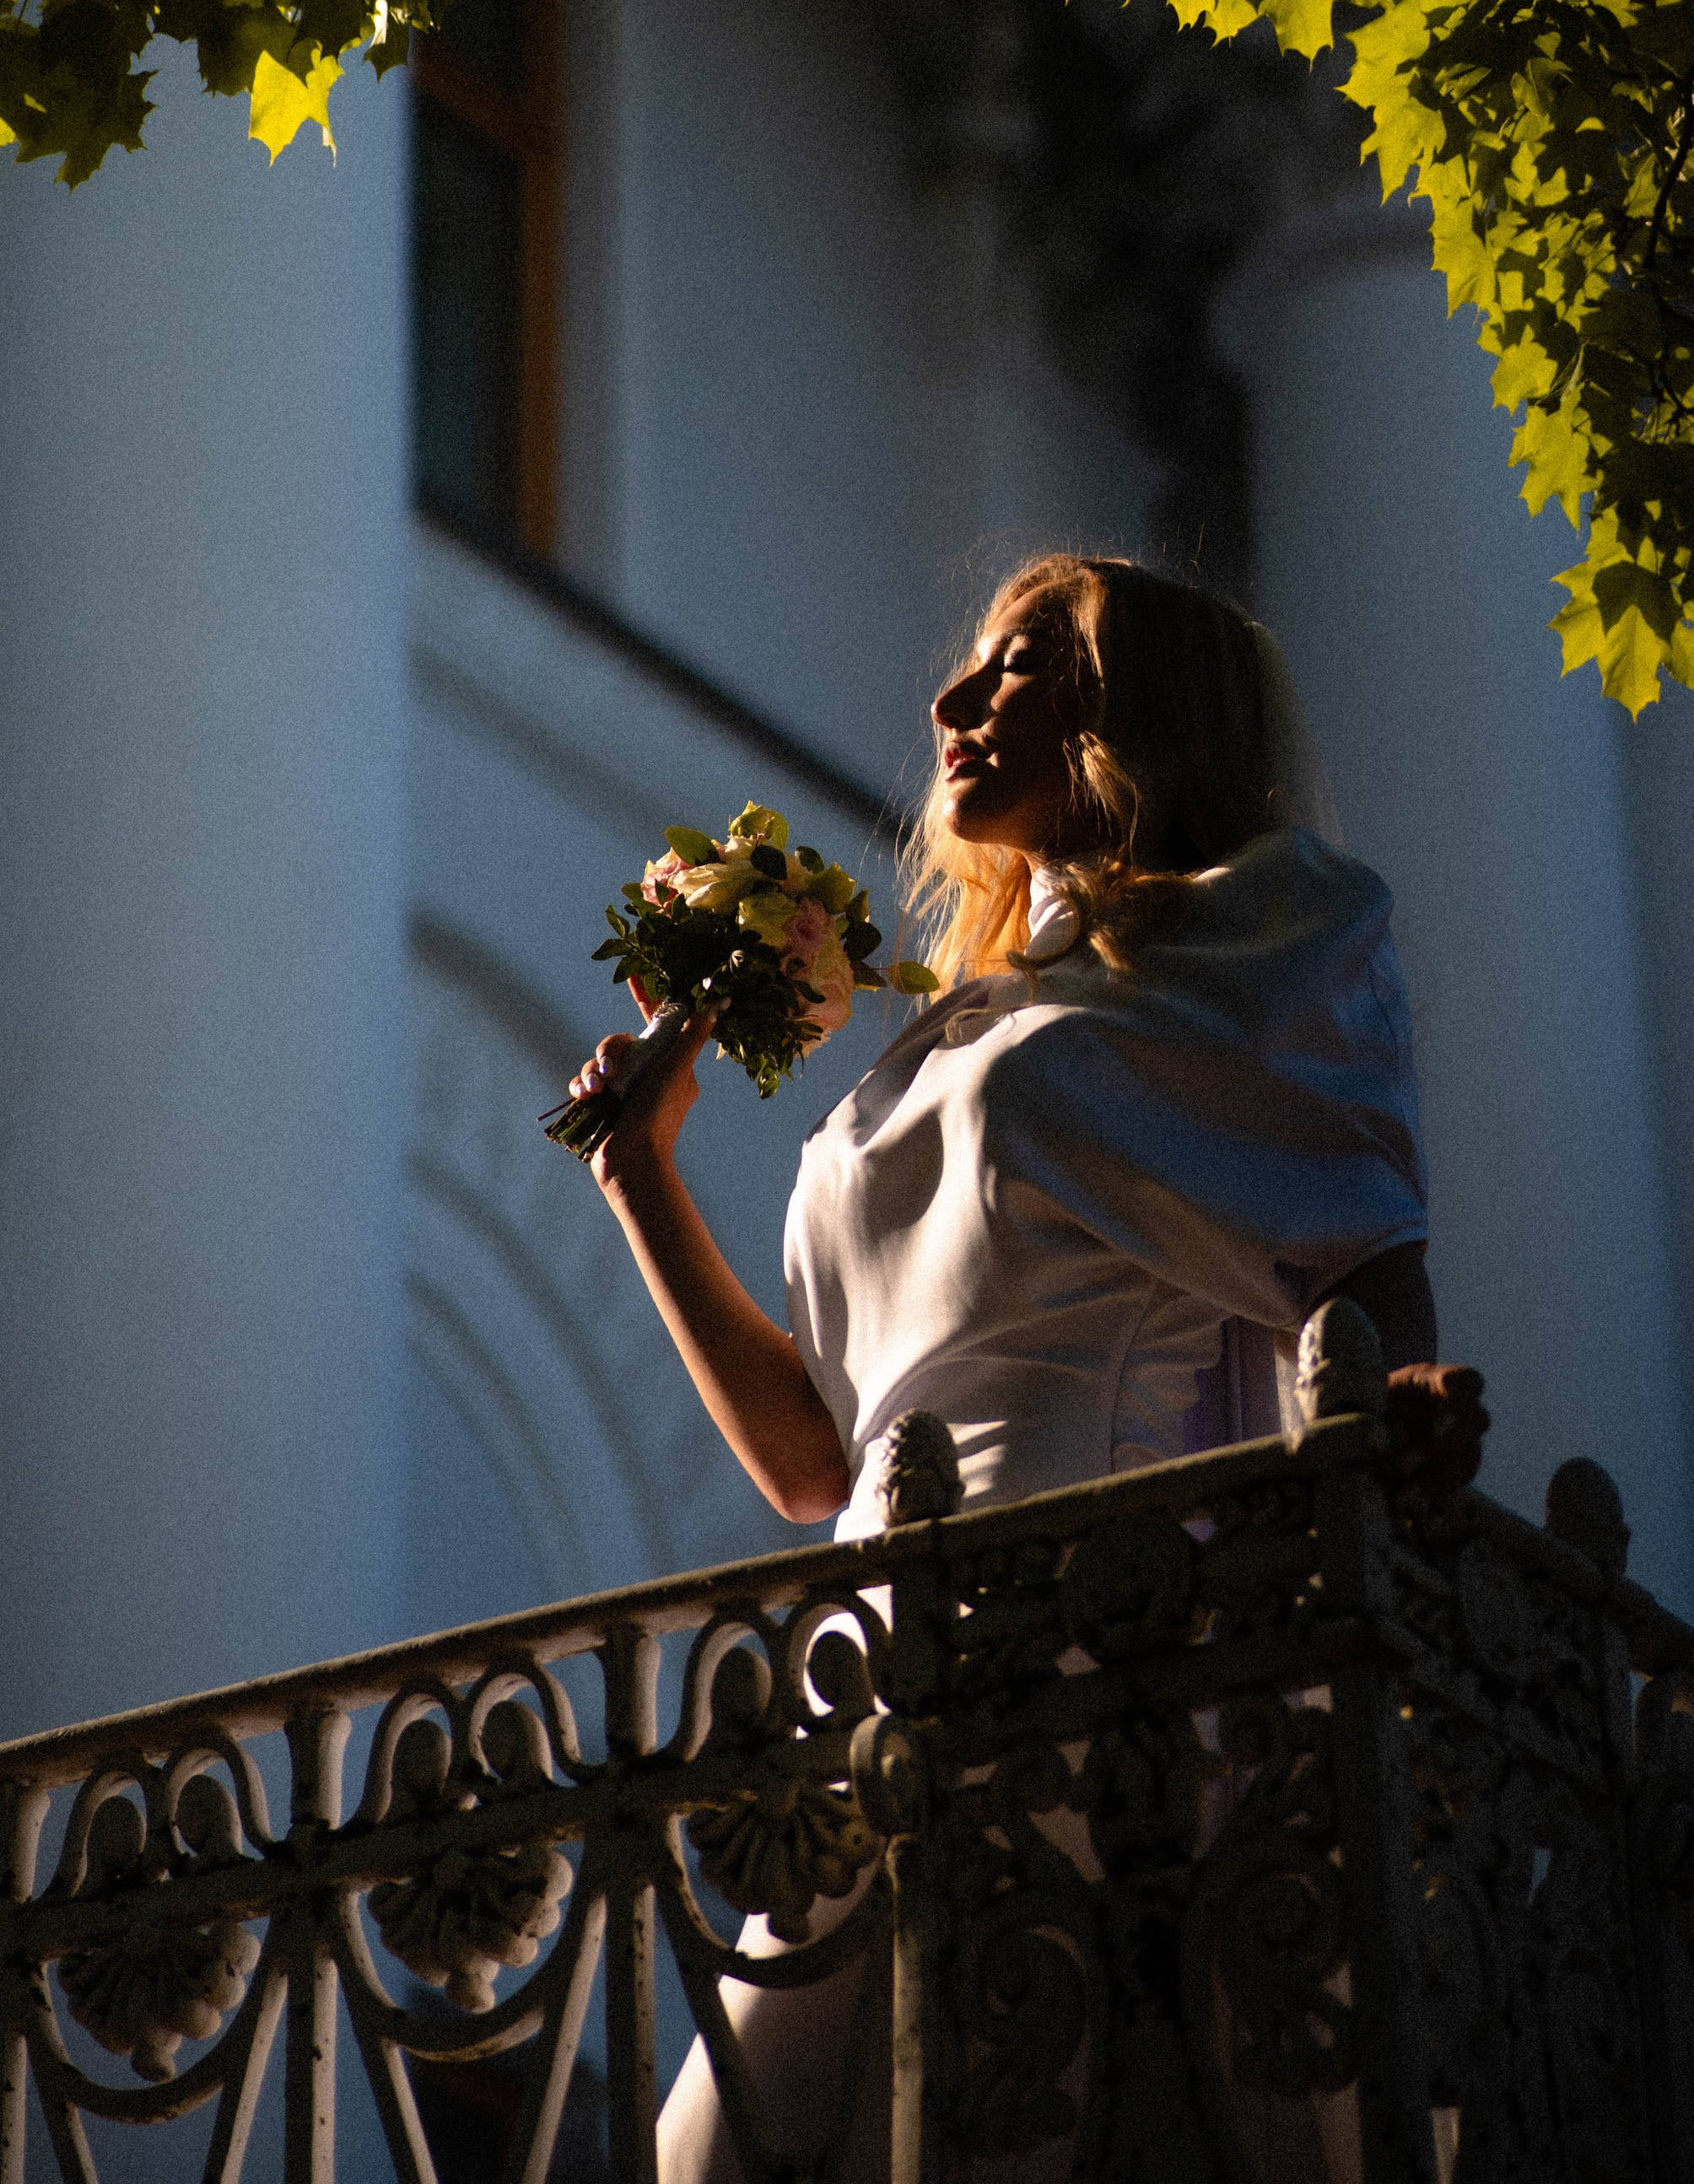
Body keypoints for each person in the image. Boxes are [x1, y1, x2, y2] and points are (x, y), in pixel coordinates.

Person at [561, 552, 1484, 2179]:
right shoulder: (957, 1024)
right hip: (878, 1677)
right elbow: (816, 1463)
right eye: (972, 667)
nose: (954, 702)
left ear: (1147, 714)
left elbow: (1361, 1254)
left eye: (1022, 663)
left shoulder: (1264, 933)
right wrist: (645, 1175)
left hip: (1109, 1672)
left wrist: (1396, 1410)